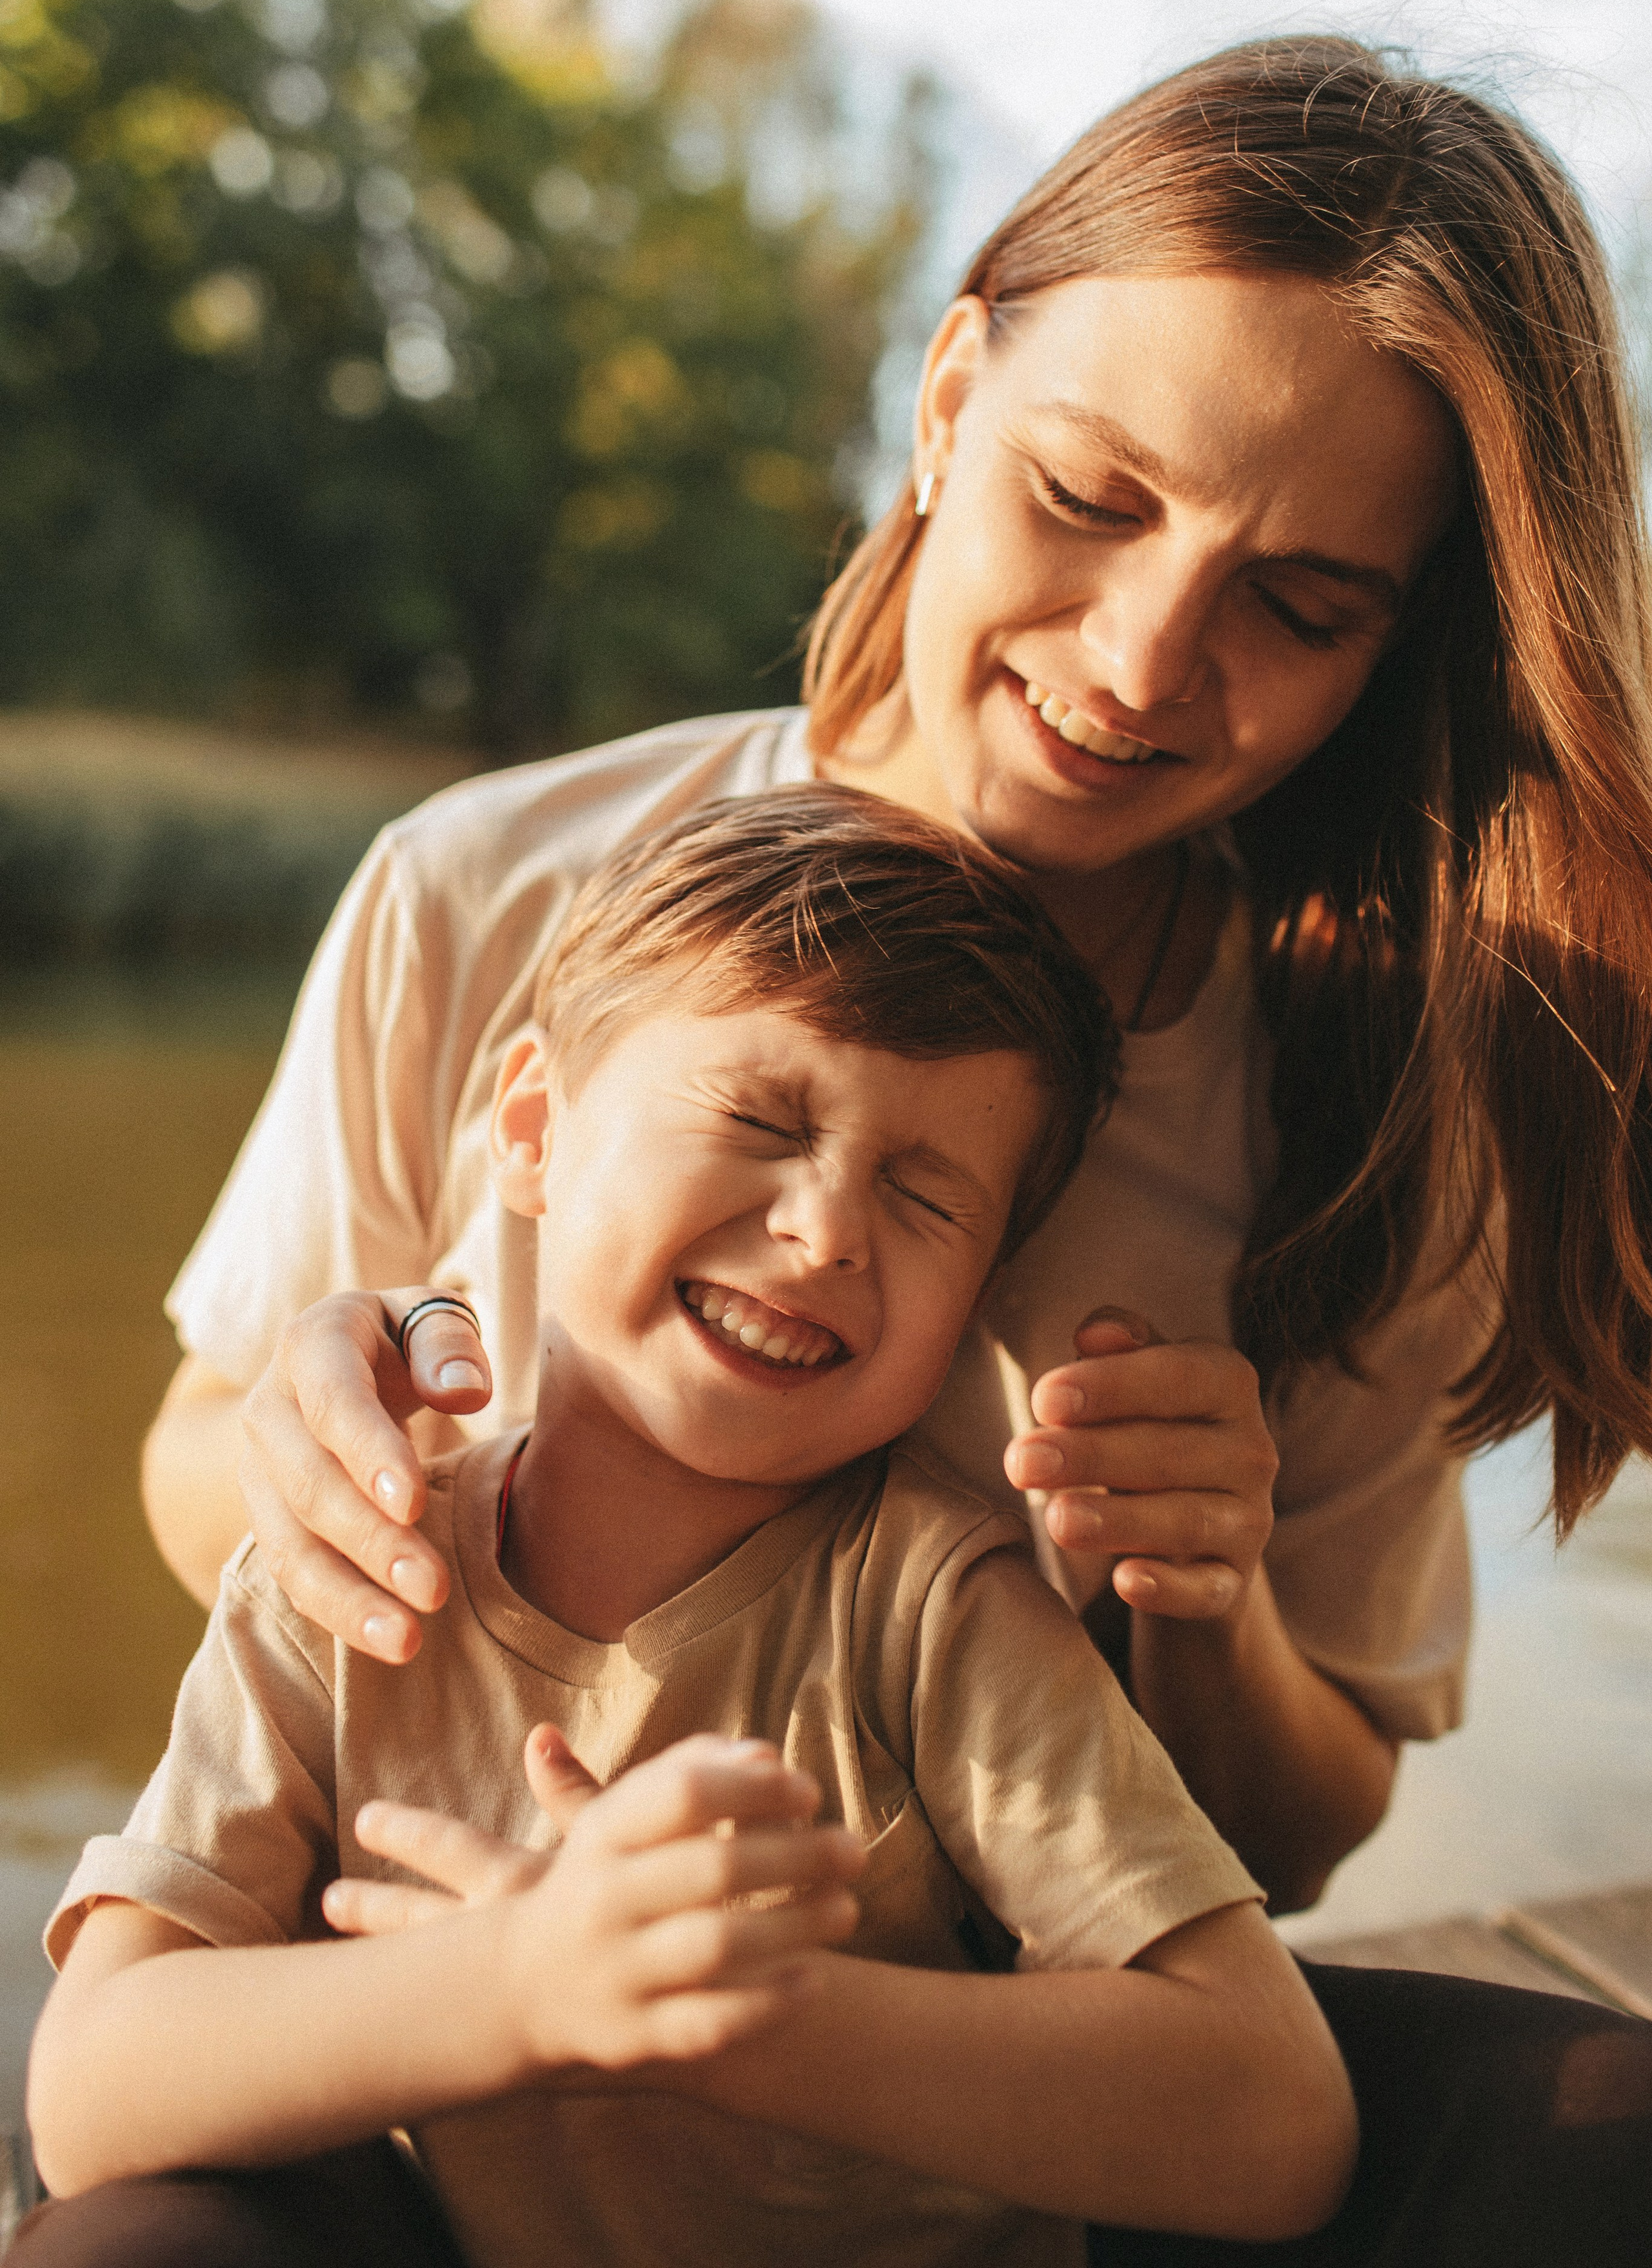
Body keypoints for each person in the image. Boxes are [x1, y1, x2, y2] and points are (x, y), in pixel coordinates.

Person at [132, 35, 1652, 2254]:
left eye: (1302, 604)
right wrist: (307, 1445)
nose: (1145, 660)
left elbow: (1304, 1850)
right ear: (948, 398)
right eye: (1095, 497)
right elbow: (196, 1469)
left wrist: (1202, 1606)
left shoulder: (1376, 1108)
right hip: (470, 2082)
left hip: (1027, 2101)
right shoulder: (481, 891)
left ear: (1390, 650)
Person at [23, 790, 1357, 2268]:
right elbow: (89, 2093)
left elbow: (1272, 2119)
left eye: (925, 1198)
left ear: (979, 1294)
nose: (827, 1230)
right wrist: (521, 1985)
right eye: (759, 1122)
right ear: (532, 1131)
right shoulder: (345, 1565)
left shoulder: (929, 1599)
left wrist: (730, 2018)